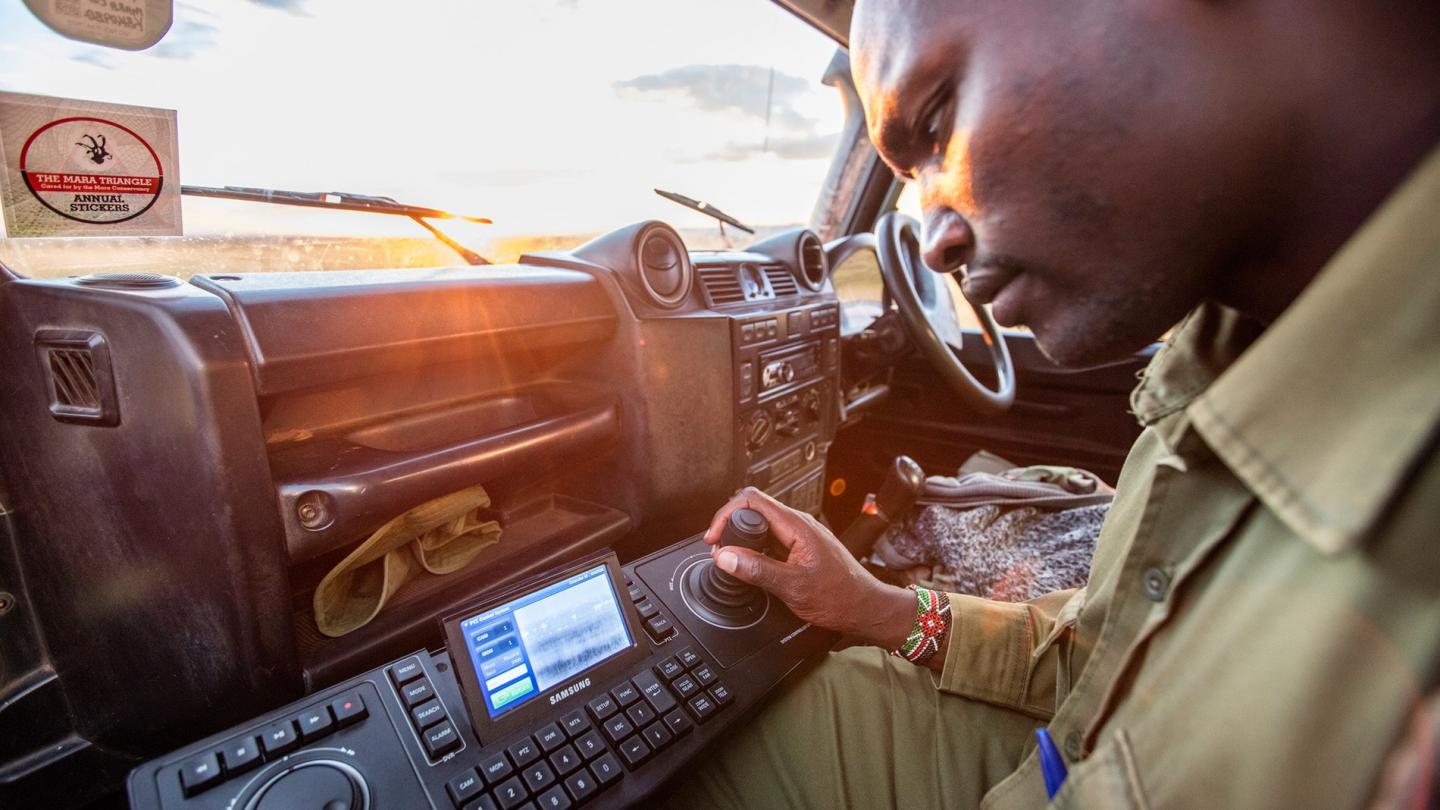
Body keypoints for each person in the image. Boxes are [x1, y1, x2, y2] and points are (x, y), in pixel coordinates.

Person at [671, 0, 1440, 807]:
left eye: (934, 124)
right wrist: (880, 609)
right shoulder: (1225, 362)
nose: (932, 238)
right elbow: (1101, 654)